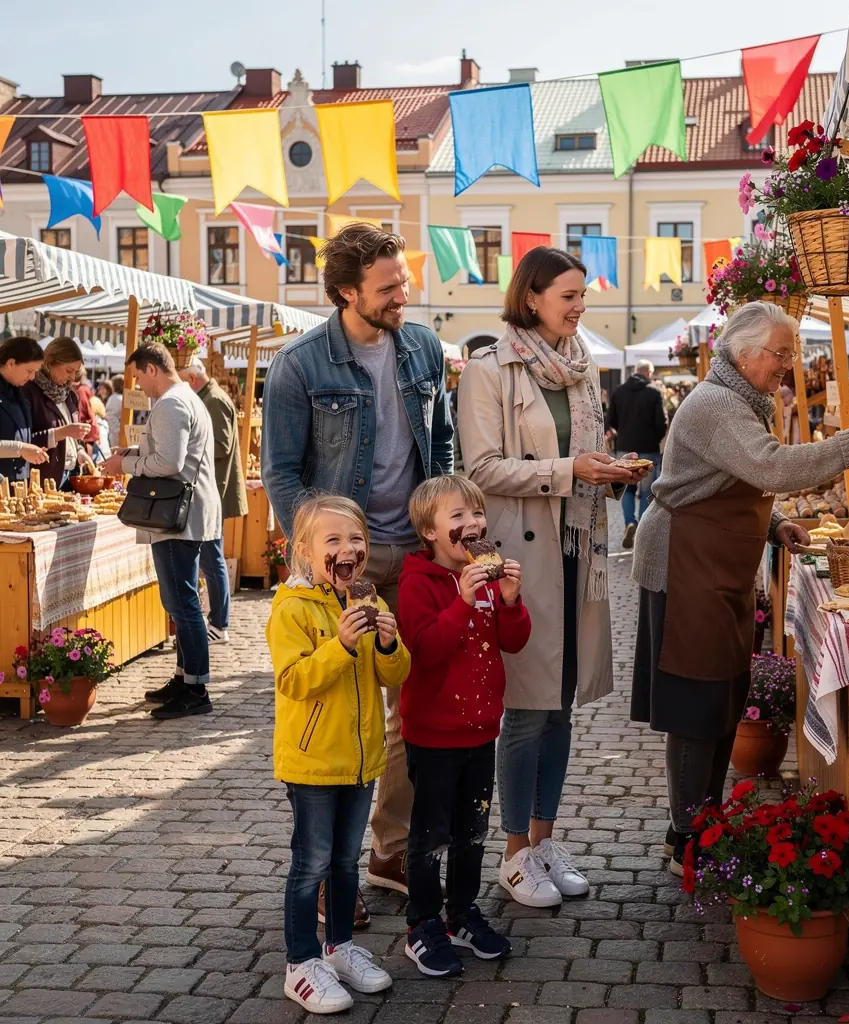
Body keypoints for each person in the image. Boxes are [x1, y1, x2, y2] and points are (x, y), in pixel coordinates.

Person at [629, 302, 849, 875]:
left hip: (714, 562)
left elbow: (741, 481)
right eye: (780, 353)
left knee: (722, 697)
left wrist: (773, 522)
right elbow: (773, 467)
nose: (788, 363)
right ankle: (688, 832)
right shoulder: (716, 404)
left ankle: (702, 823)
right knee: (696, 702)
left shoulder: (744, 399)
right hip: (685, 563)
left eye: (788, 352)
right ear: (743, 353)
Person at [262, 221, 453, 906]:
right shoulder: (301, 364)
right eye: (388, 287)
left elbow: (443, 442)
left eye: (403, 280)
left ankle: (386, 849)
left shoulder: (424, 347)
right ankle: (326, 868)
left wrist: (446, 529)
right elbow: (281, 474)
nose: (403, 294)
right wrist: (323, 557)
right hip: (347, 564)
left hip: (418, 554)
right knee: (342, 706)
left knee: (411, 704)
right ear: (346, 291)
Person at [458, 247, 648, 908]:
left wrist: (608, 469)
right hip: (524, 558)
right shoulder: (489, 370)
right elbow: (480, 468)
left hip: (580, 551)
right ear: (531, 295)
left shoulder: (581, 365)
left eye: (582, 296)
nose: (579, 307)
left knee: (560, 704)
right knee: (528, 710)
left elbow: (579, 452)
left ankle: (543, 840)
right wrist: (572, 473)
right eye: (568, 296)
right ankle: (512, 854)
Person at [266, 494, 409, 1013]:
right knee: (312, 864)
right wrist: (341, 646)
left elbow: (394, 677)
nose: (348, 548)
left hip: (361, 759)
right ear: (304, 550)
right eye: (333, 540)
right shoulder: (292, 608)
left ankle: (340, 947)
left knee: (346, 861)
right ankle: (301, 962)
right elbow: (293, 680)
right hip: (312, 764)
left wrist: (390, 646)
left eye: (356, 539)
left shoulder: (369, 601)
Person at [398, 475, 531, 976]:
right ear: (429, 532)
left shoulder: (488, 579)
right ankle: (422, 923)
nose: (472, 524)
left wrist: (512, 600)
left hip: (480, 731)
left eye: (476, 514)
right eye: (457, 517)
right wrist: (462, 601)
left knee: (471, 833)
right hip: (433, 736)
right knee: (431, 835)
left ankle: (461, 913)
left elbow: (513, 642)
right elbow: (425, 651)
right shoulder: (418, 584)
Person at [100, 344, 222, 720]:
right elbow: (172, 450)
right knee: (182, 603)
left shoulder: (170, 402)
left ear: (153, 369)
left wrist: (127, 463)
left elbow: (169, 462)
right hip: (188, 514)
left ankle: (196, 688)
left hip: (176, 519)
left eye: (139, 376)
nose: (138, 383)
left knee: (182, 605)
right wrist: (134, 450)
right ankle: (185, 678)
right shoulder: (184, 396)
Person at [180, 361, 249, 645]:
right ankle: (216, 621)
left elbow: (221, 445)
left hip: (214, 492)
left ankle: (220, 624)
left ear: (194, 379)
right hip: (210, 491)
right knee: (210, 558)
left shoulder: (215, 400)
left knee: (212, 559)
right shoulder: (209, 397)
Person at [605, 359, 668, 548]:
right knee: (647, 491)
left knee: (627, 488)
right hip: (649, 448)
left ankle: (629, 522)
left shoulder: (619, 391)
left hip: (625, 447)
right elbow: (661, 422)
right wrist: (657, 437)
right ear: (648, 373)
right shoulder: (654, 392)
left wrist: (623, 432)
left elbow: (611, 420)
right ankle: (642, 530)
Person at [23, 337, 92, 488]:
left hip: (72, 475)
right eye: (68, 370)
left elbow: (73, 438)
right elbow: (23, 441)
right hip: (45, 479)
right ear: (50, 363)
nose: (73, 377)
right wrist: (61, 432)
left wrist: (80, 450)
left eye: (76, 372)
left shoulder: (70, 395)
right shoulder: (29, 392)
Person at [0, 336, 50, 480]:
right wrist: (21, 449)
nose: (33, 377)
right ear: (11, 363)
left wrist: (30, 450)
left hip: (17, 483)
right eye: (29, 371)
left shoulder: (18, 391)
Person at [104, 374, 124, 445]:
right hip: (118, 437)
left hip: (118, 435)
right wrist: (121, 432)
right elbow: (111, 418)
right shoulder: (116, 399)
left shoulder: (115, 398)